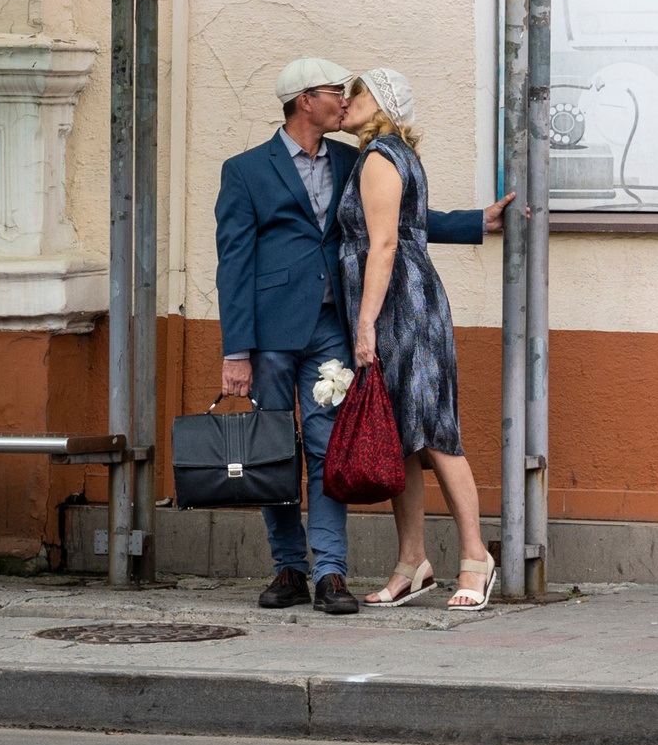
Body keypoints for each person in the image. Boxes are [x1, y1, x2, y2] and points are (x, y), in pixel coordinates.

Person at [213, 57, 507, 615]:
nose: (343, 100)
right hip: (271, 333)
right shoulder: (246, 170)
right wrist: (237, 350)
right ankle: (289, 566)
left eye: (351, 93)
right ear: (305, 100)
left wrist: (474, 222)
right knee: (276, 451)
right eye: (333, 92)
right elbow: (233, 263)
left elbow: (394, 221)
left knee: (328, 449)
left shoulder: (357, 157)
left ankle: (329, 572)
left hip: (334, 330)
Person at [339, 68, 495, 612]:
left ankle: (476, 557)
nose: (345, 100)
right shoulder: (391, 154)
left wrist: (364, 324)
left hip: (402, 309)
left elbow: (383, 246)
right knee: (401, 432)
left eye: (355, 92)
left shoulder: (381, 157)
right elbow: (417, 224)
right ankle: (413, 562)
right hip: (403, 304)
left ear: (378, 102)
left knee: (433, 432)